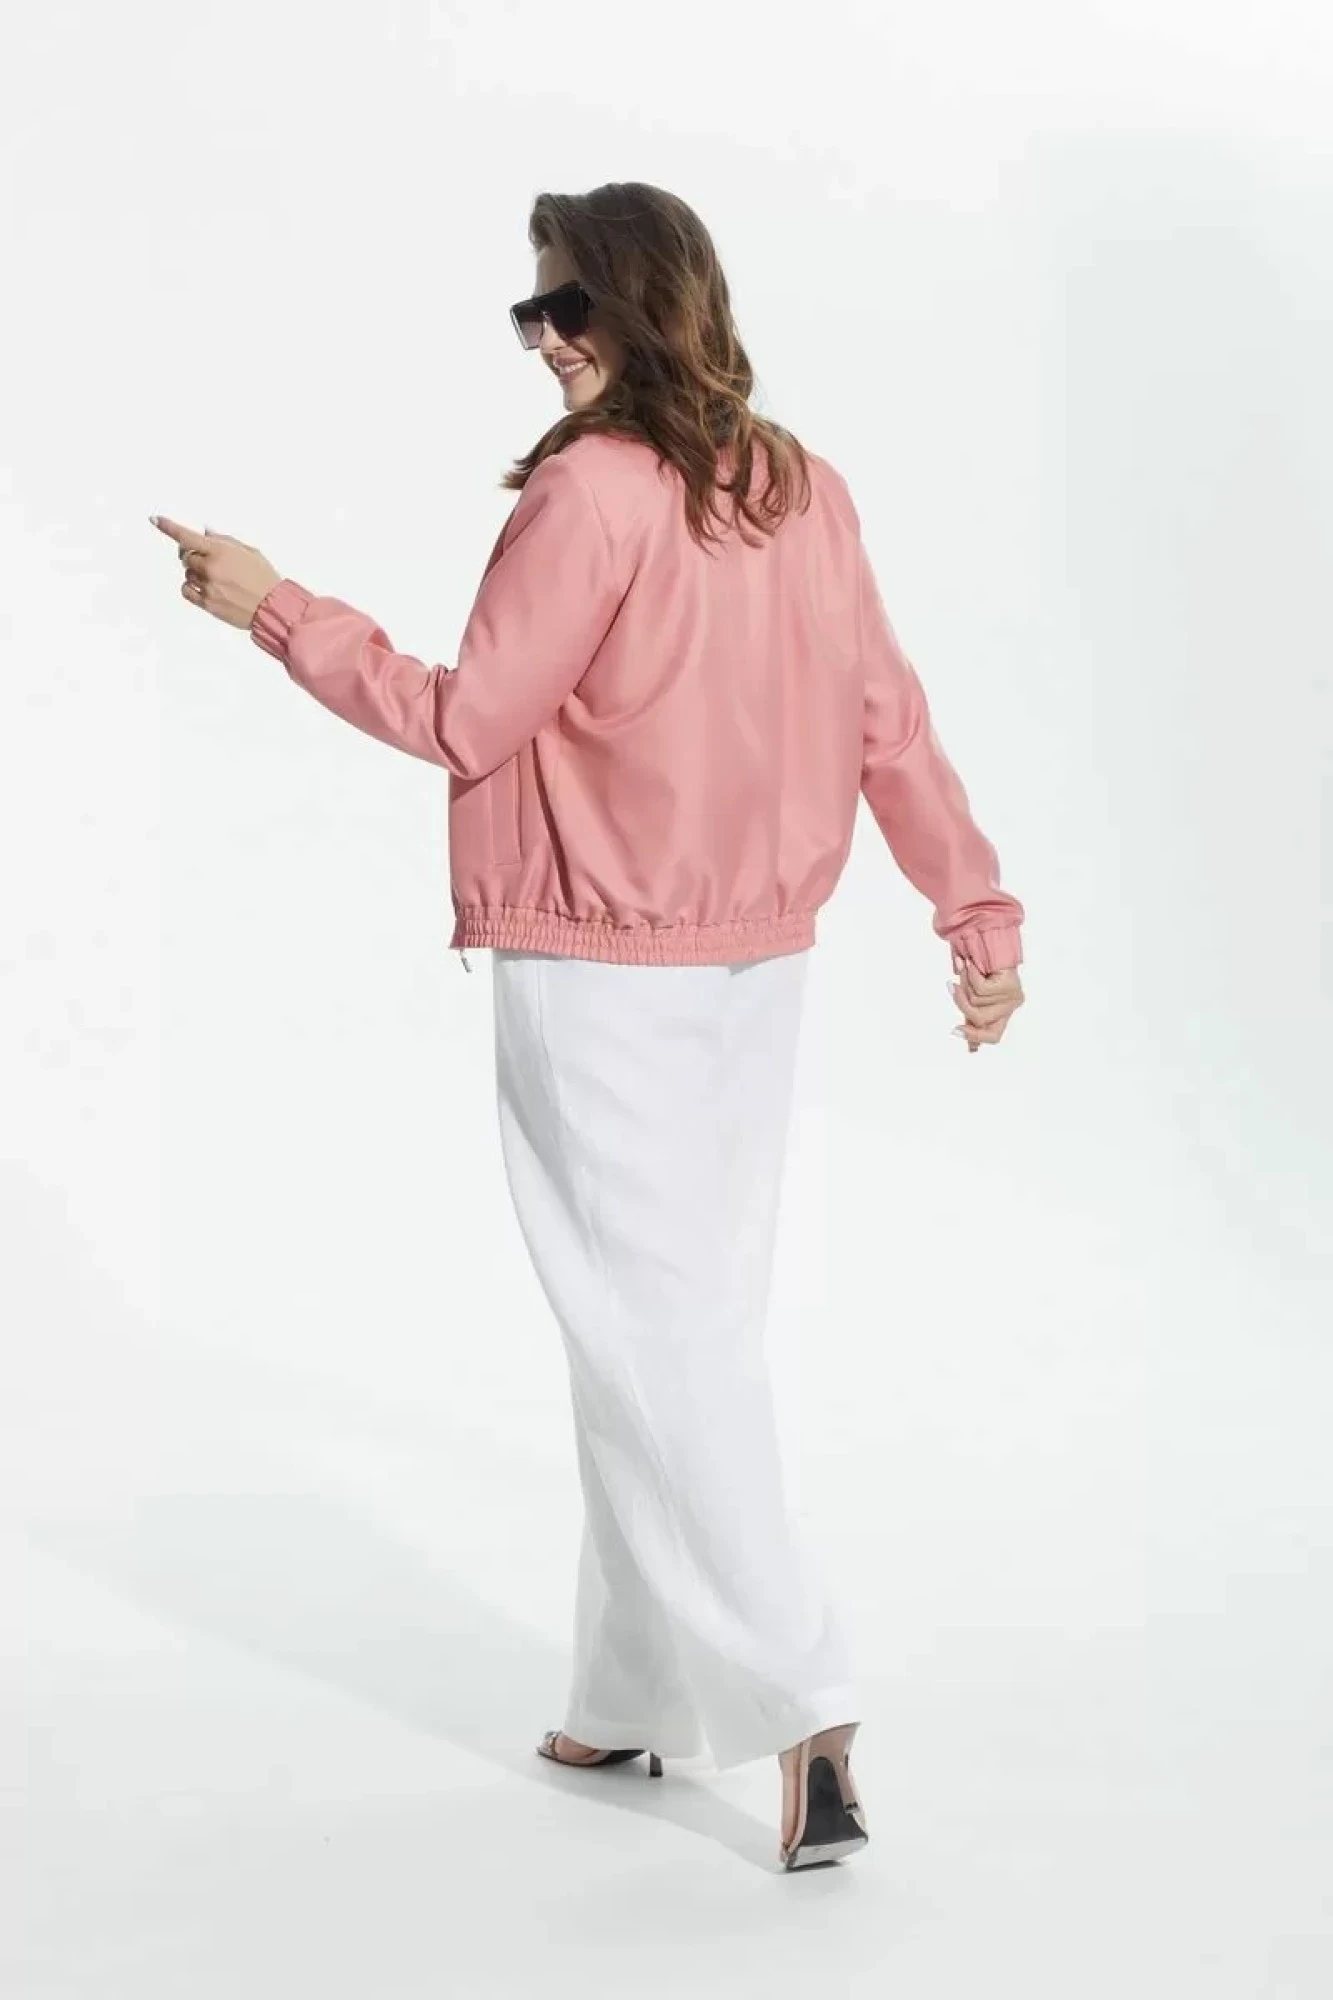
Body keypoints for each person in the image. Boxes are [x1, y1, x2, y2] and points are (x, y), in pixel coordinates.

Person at [150, 180, 1026, 1871]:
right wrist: (972, 911)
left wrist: (271, 604)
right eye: (530, 312)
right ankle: (629, 1694)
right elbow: (890, 725)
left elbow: (465, 718)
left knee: (655, 1336)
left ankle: (805, 1701)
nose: (545, 340)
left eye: (569, 307)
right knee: (672, 1330)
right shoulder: (800, 486)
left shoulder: (594, 491)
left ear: (647, 305)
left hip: (601, 965)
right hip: (757, 964)